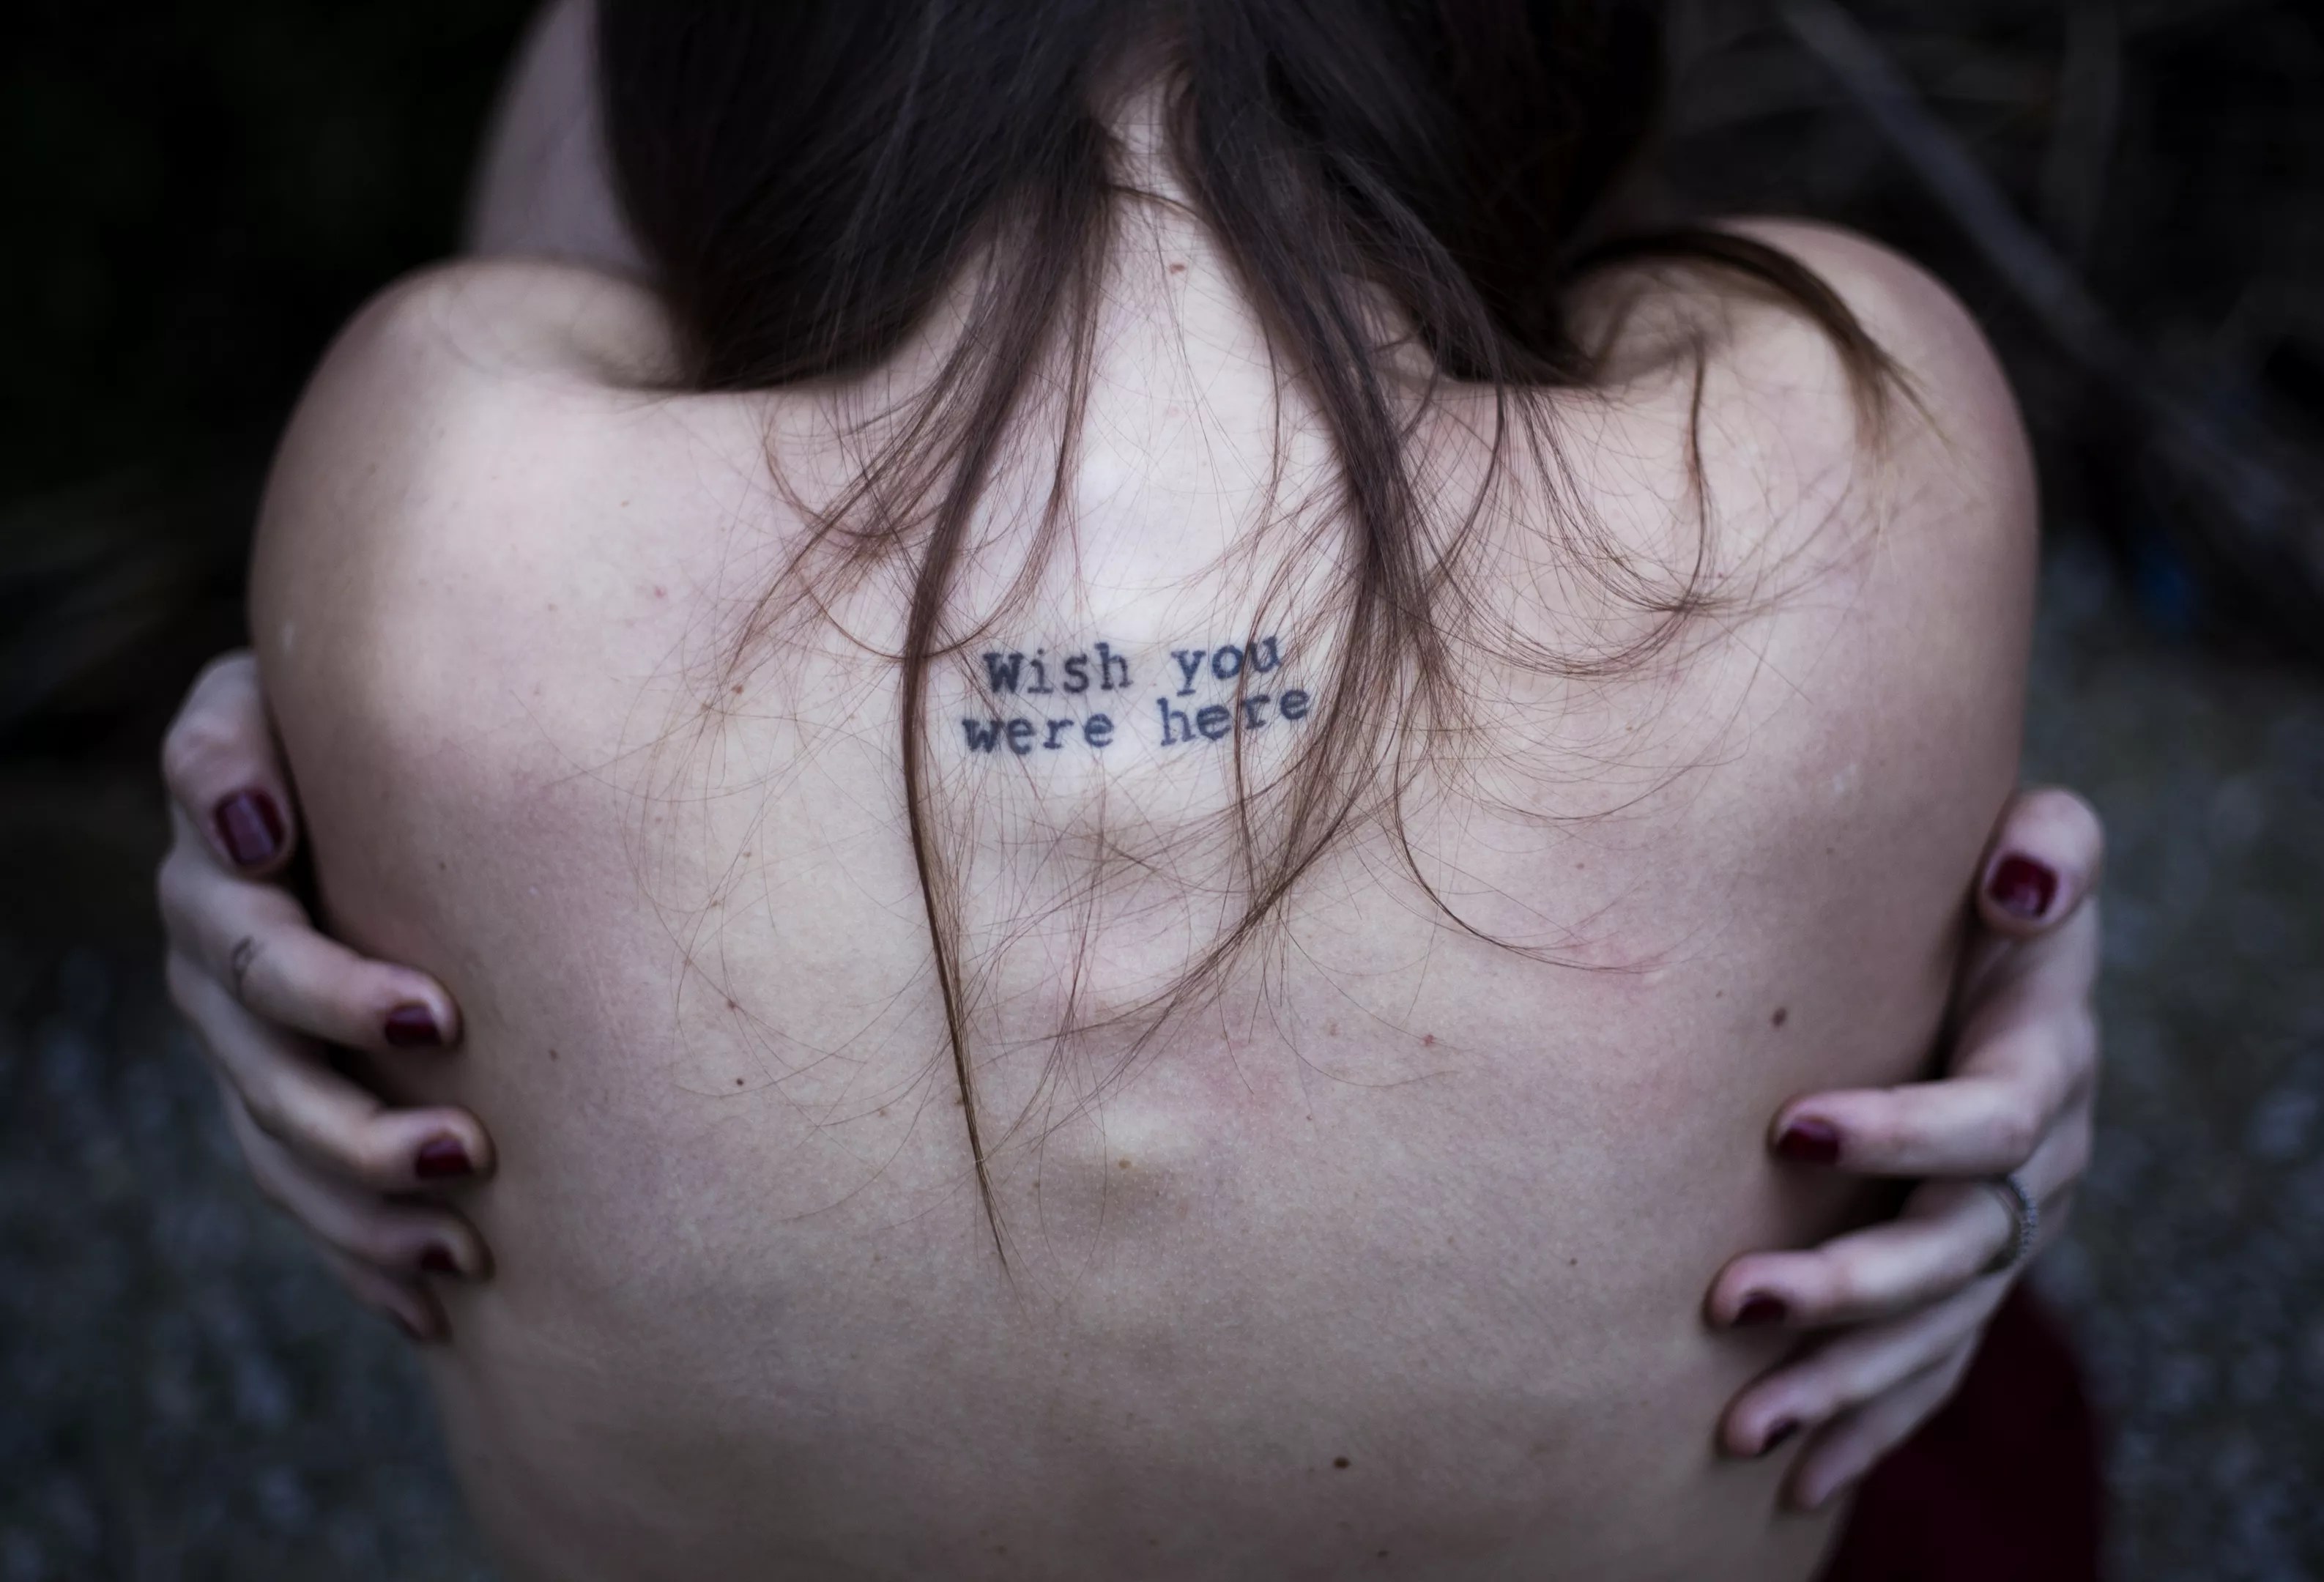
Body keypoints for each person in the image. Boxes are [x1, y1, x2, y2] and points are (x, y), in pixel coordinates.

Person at [155, 3, 2105, 1576]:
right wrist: (1952, 954)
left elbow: (623, 149)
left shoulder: (442, 481)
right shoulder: (1851, 434)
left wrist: (327, 709)